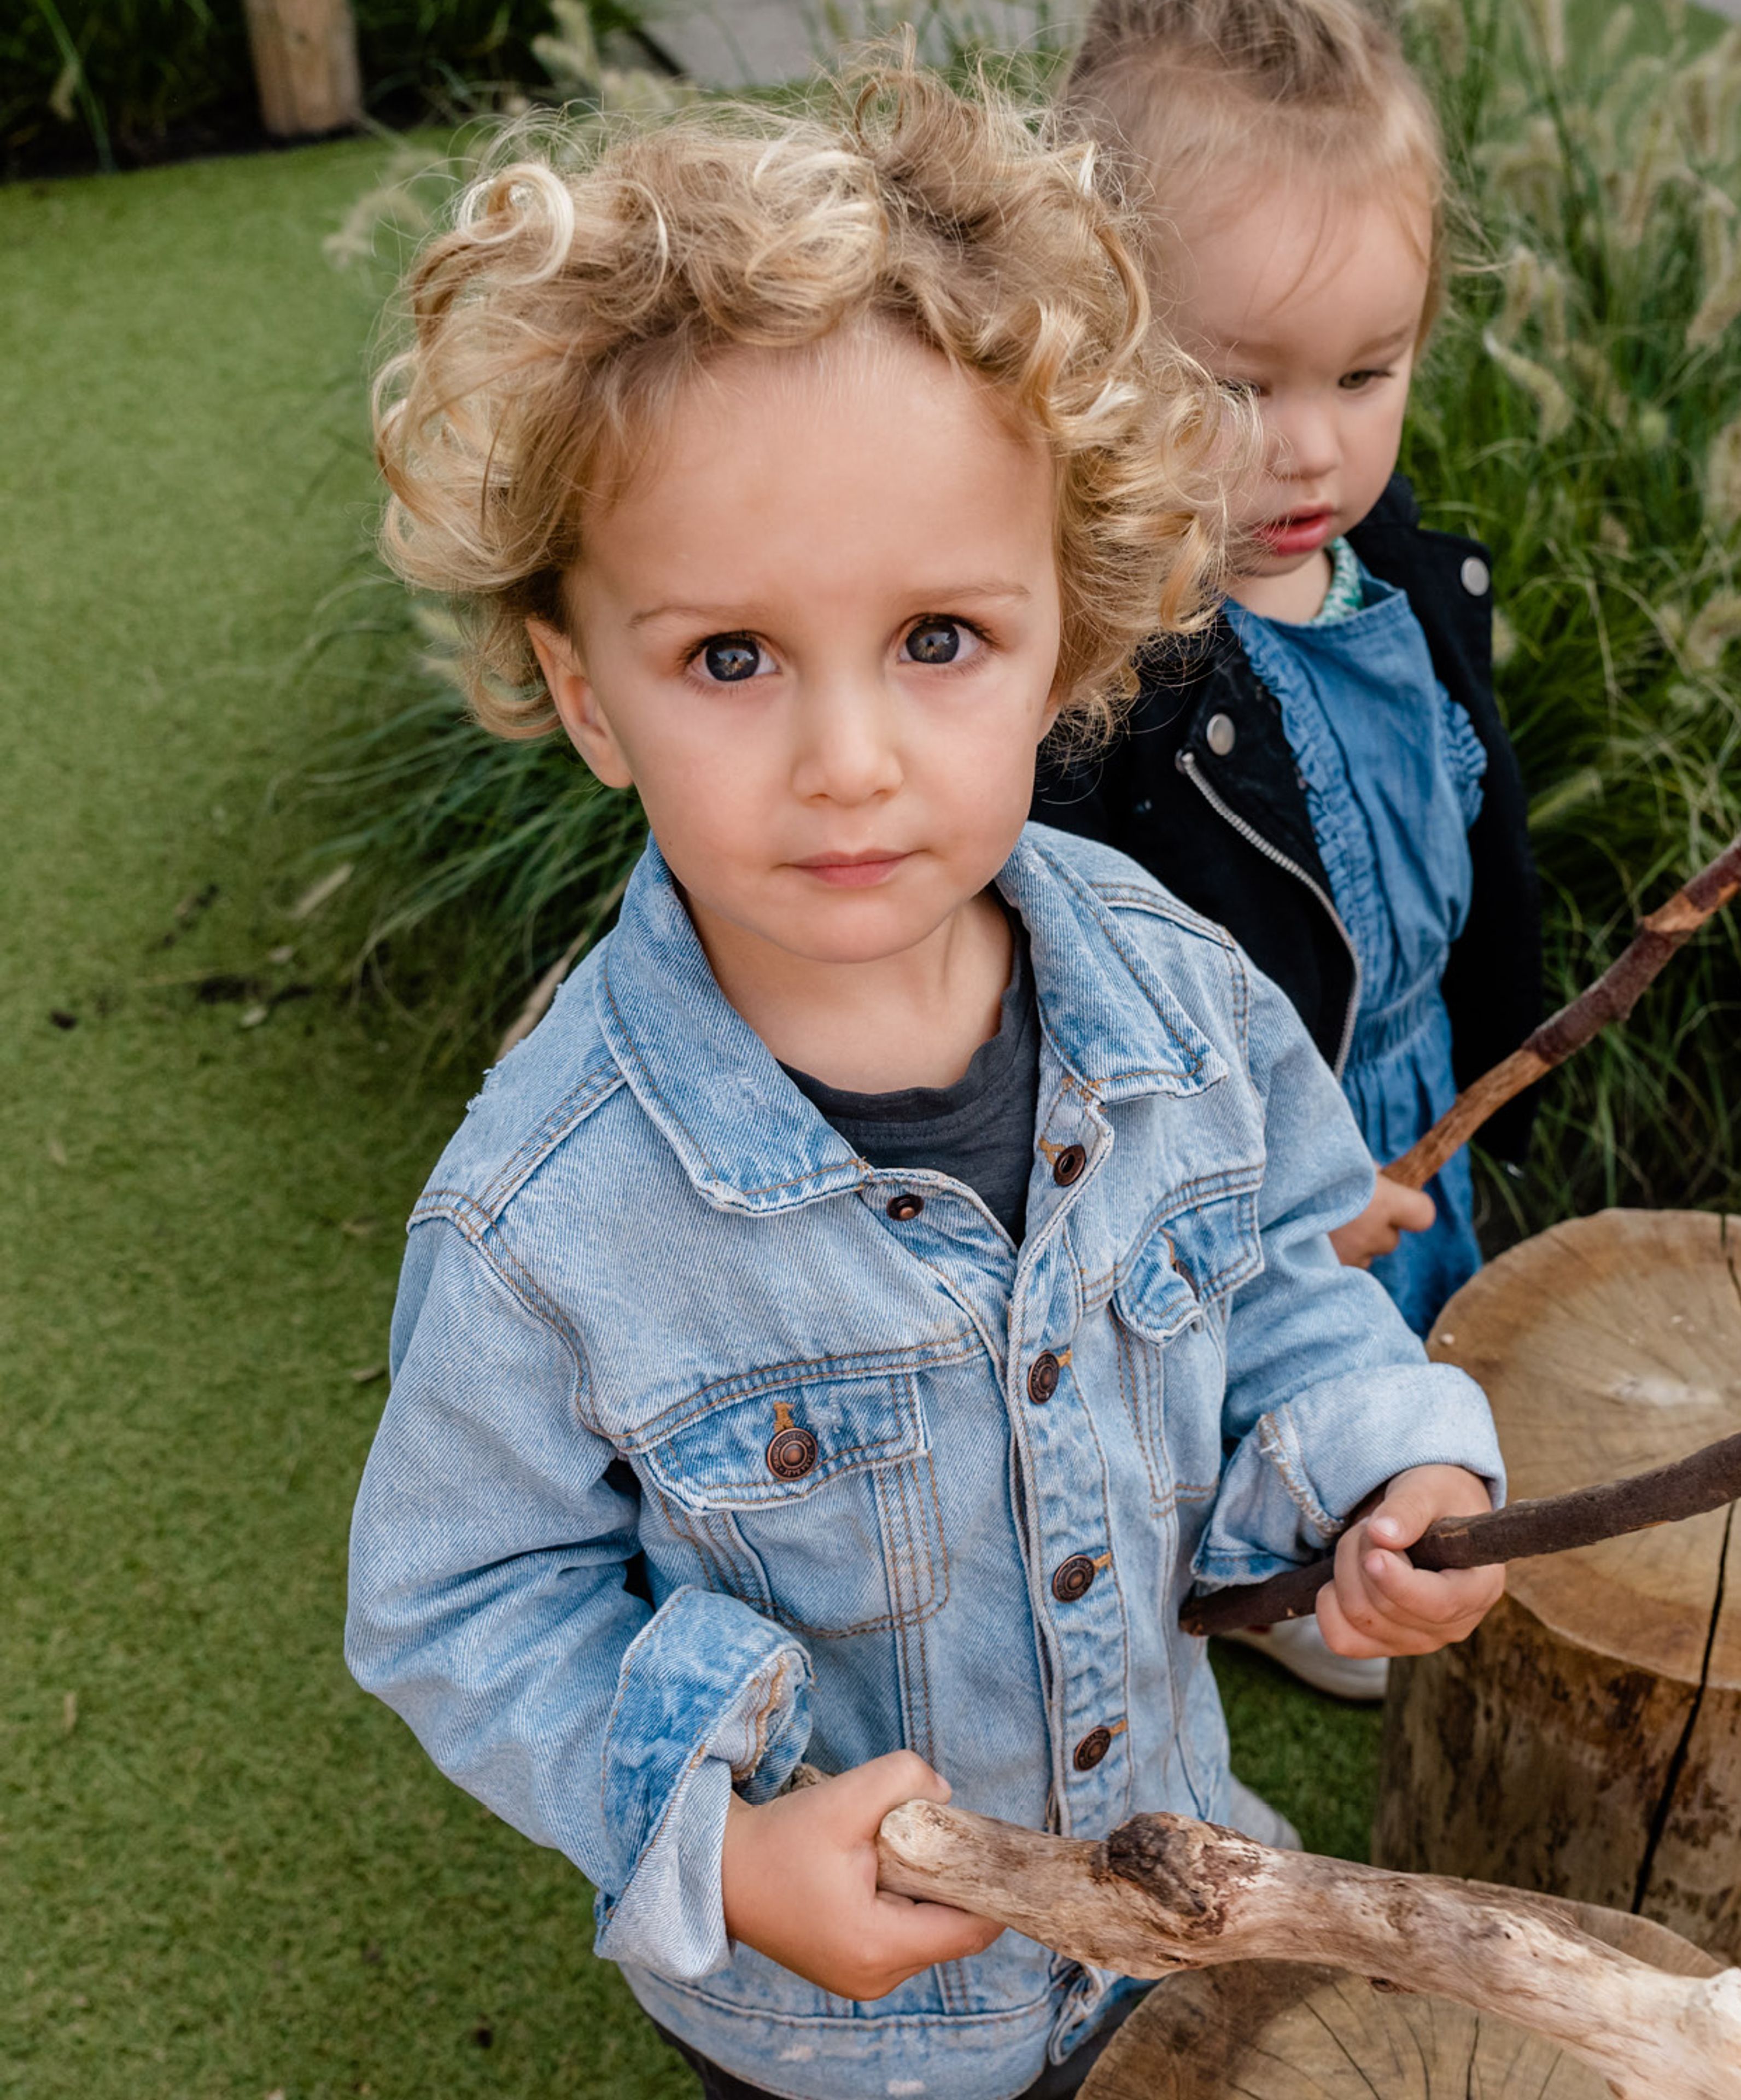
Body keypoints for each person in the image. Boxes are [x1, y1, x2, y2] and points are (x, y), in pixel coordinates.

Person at [343, 59, 1506, 2100]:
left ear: (1071, 636)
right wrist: (719, 1845)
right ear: (584, 694)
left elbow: (1285, 1280)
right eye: (730, 659)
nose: (849, 762)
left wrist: (1387, 1466)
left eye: (941, 639)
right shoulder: (547, 1217)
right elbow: (466, 1600)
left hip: (1174, 1922)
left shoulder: (1185, 1002)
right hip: (843, 2034)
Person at [1036, 0, 1543, 1699]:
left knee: (1424, 1316)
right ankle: (1291, 1558)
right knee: (1260, 1388)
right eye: (1236, 385)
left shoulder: (1400, 574)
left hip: (1415, 1088)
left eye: (1365, 373)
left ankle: (1405, 1479)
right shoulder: (1104, 679)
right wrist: (1271, 1201)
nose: (1310, 446)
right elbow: (1089, 1014)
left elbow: (1467, 821)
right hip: (1247, 1158)